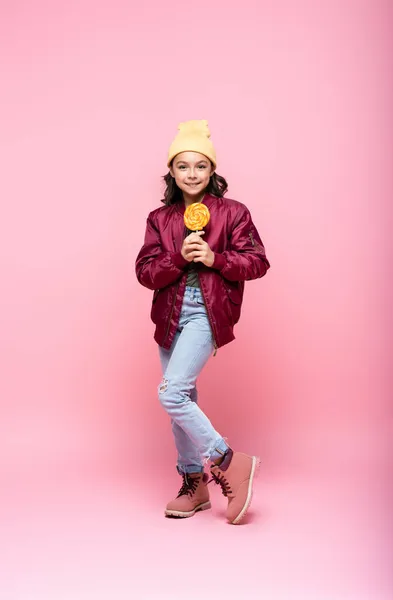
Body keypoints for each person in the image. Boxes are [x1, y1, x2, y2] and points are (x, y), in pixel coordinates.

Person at [135, 120, 270, 524]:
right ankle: (193, 484)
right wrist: (178, 256)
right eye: (183, 166)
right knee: (183, 401)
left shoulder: (233, 213)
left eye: (200, 166)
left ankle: (228, 459)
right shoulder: (160, 218)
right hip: (169, 316)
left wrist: (216, 259)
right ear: (172, 173)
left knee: (172, 393)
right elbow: (145, 273)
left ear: (212, 172)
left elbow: (258, 262)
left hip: (206, 312)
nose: (192, 174)